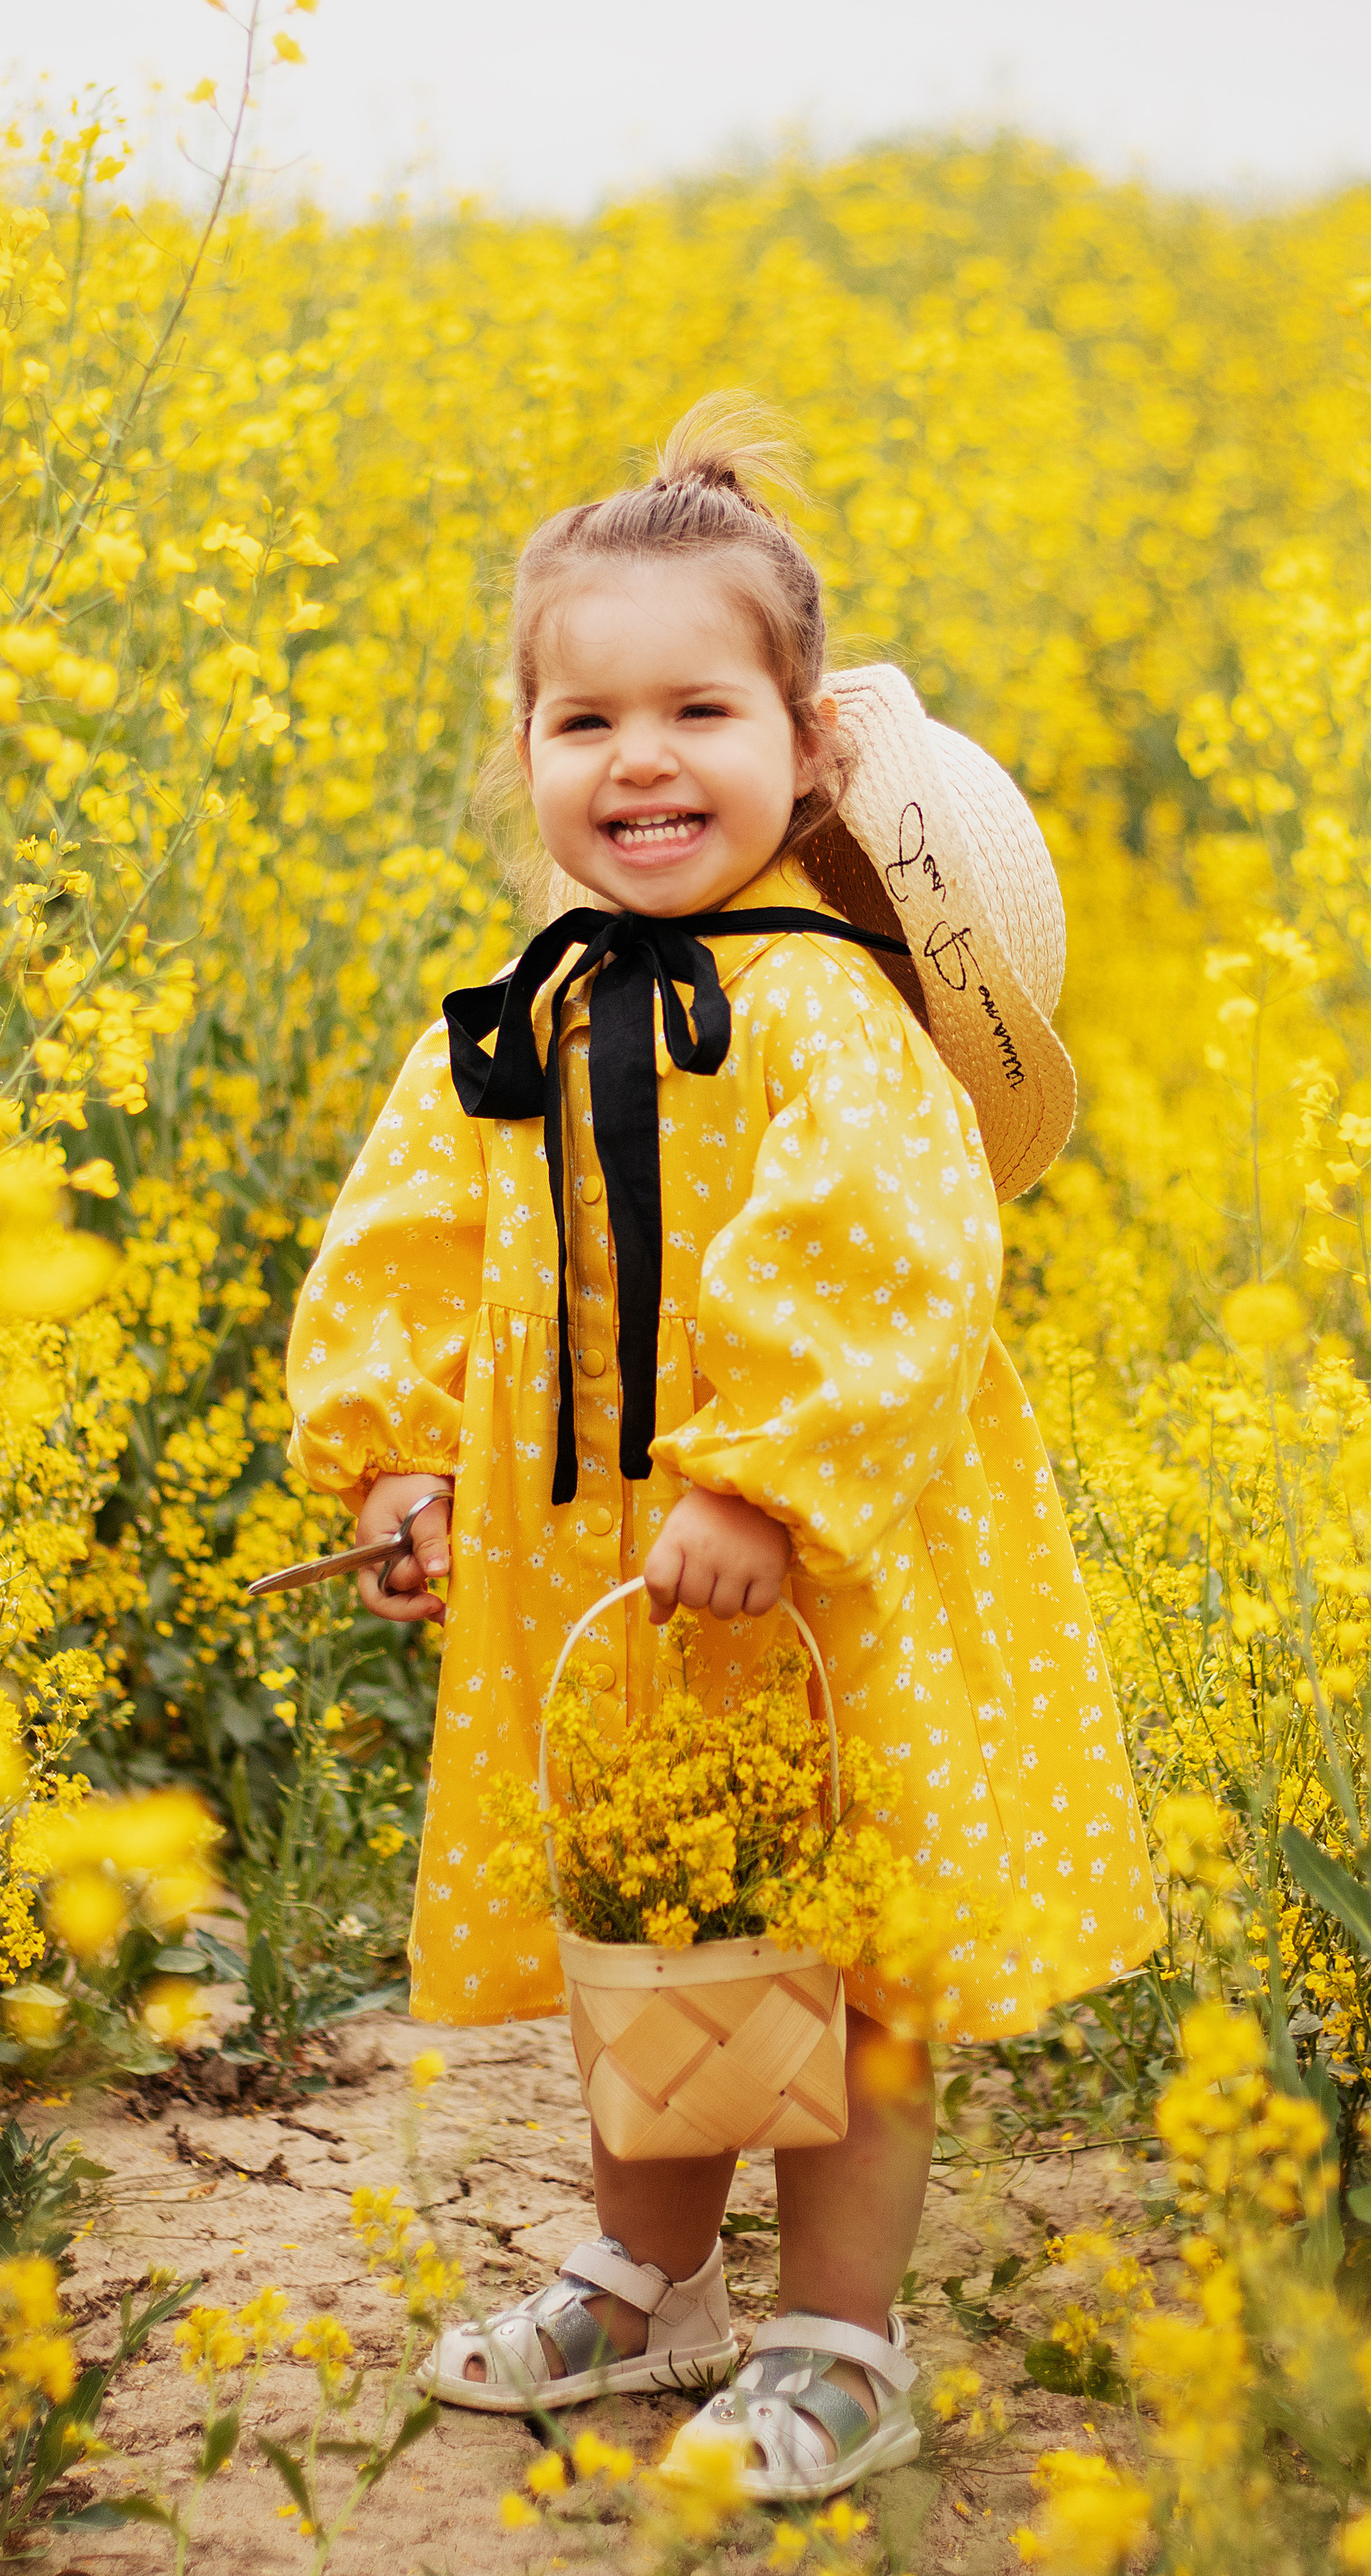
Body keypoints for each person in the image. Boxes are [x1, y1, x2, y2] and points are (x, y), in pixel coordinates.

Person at [284, 396, 1161, 2500]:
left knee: (840, 1949)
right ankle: (642, 2273)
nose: (641, 760)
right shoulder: (519, 1004)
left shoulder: (826, 1009)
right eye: (585, 721)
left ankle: (843, 2331)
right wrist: (394, 1458)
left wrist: (762, 1478)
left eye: (697, 709)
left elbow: (896, 1262)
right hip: (605, 1572)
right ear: (525, 757)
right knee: (650, 1920)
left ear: (807, 749)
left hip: (815, 1562)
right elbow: (401, 1238)